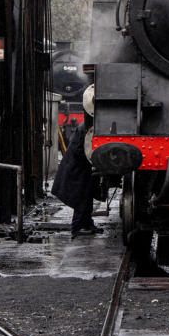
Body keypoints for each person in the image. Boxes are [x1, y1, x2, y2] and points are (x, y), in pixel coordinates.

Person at [51, 83, 102, 237]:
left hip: (82, 166)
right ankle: (77, 227)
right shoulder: (85, 127)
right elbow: (82, 150)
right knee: (81, 196)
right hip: (77, 167)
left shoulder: (87, 125)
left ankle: (87, 223)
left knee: (87, 194)